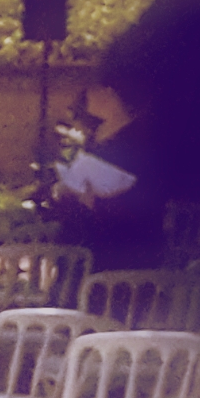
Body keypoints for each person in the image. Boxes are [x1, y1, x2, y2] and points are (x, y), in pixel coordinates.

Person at [50, 81, 168, 267]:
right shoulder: (98, 135)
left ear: (112, 96)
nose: (90, 99)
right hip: (89, 238)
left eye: (97, 92)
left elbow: (142, 192)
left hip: (121, 243)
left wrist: (95, 201)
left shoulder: (138, 139)